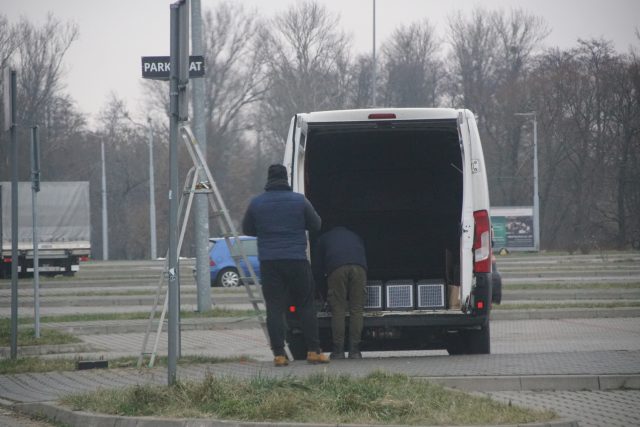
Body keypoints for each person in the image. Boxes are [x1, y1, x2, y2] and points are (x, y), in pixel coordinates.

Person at [242, 164, 329, 367]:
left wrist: (267, 232)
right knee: (305, 305)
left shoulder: (257, 203)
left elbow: (247, 229)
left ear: (268, 179)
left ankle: (279, 354)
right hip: (296, 259)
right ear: (286, 178)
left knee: (274, 307)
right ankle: (313, 351)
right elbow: (316, 225)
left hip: (270, 262)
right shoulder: (299, 201)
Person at [314, 226, 367, 359]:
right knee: (357, 309)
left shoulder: (323, 239)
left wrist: (323, 291)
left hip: (337, 267)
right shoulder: (355, 235)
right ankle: (355, 351)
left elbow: (318, 269)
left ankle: (338, 351)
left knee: (338, 309)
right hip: (359, 267)